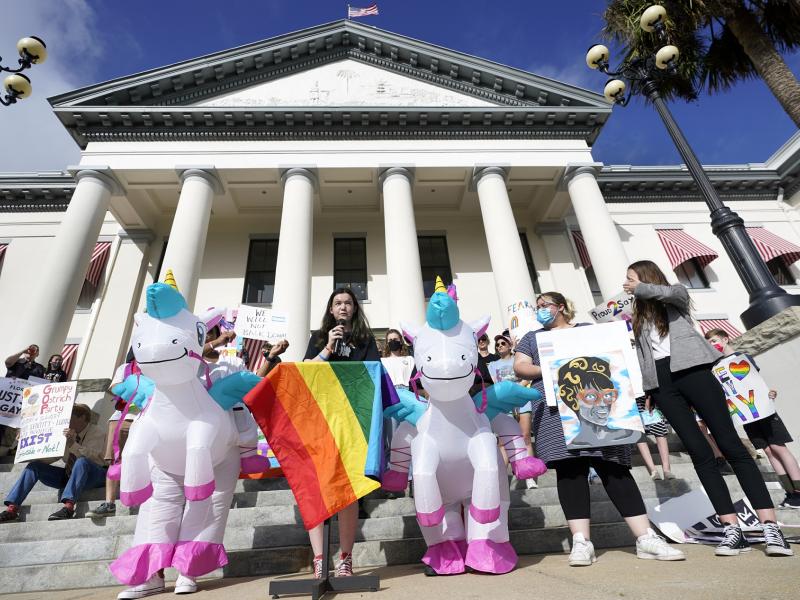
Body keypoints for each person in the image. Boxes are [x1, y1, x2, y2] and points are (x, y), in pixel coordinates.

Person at [624, 260, 792, 556]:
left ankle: (770, 526)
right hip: (662, 384)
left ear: (647, 278)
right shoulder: (636, 314)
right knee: (699, 452)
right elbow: (642, 354)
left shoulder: (672, 295)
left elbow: (675, 295)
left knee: (730, 444)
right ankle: (731, 528)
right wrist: (649, 387)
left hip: (694, 370)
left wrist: (643, 289)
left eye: (631, 279)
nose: (627, 285)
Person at [514, 291, 684, 565]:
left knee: (614, 468)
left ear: (560, 307)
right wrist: (555, 366)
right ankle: (581, 542)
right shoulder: (532, 338)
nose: (540, 310)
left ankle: (645, 537)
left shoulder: (588, 331)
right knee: (570, 472)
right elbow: (520, 367)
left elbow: (613, 358)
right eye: (537, 307)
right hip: (557, 412)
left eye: (544, 305)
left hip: (604, 410)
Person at [304, 287, 380, 578]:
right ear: (331, 310)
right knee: (317, 488)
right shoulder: (320, 338)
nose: (343, 307)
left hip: (352, 423)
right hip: (322, 420)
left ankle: (345, 558)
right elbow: (306, 371)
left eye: (348, 303)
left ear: (355, 309)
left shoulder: (365, 339)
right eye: (338, 303)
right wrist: (327, 348)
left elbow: (374, 373)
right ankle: (320, 559)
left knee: (347, 491)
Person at [705, 328, 800, 509]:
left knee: (779, 447)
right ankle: (789, 491)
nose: (713, 345)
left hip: (763, 410)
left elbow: (754, 381)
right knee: (768, 450)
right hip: (747, 413)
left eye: (715, 340)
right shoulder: (715, 367)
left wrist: (769, 392)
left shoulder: (743, 357)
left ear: (725, 339)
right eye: (709, 343)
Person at [1, 404, 107, 522]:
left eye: (69, 417)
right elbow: (51, 457)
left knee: (82, 461)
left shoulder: (98, 432)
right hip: (70, 476)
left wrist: (73, 444)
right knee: (34, 467)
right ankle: (12, 508)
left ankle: (69, 507)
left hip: (95, 475)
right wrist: (26, 444)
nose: (65, 421)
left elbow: (95, 459)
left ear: (82, 417)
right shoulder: (64, 432)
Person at [488, 331, 538, 490]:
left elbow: (527, 377)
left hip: (521, 400)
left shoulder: (518, 360)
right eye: (497, 345)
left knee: (525, 437)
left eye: (503, 343)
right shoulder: (493, 365)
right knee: (503, 442)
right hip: (504, 404)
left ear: (510, 346)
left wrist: (516, 390)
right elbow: (495, 384)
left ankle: (529, 477)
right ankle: (502, 479)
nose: (500, 346)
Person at [636, 395, 675, 480]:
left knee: (660, 430)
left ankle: (666, 469)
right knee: (639, 434)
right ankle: (653, 470)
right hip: (631, 399)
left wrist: (649, 398)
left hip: (648, 397)